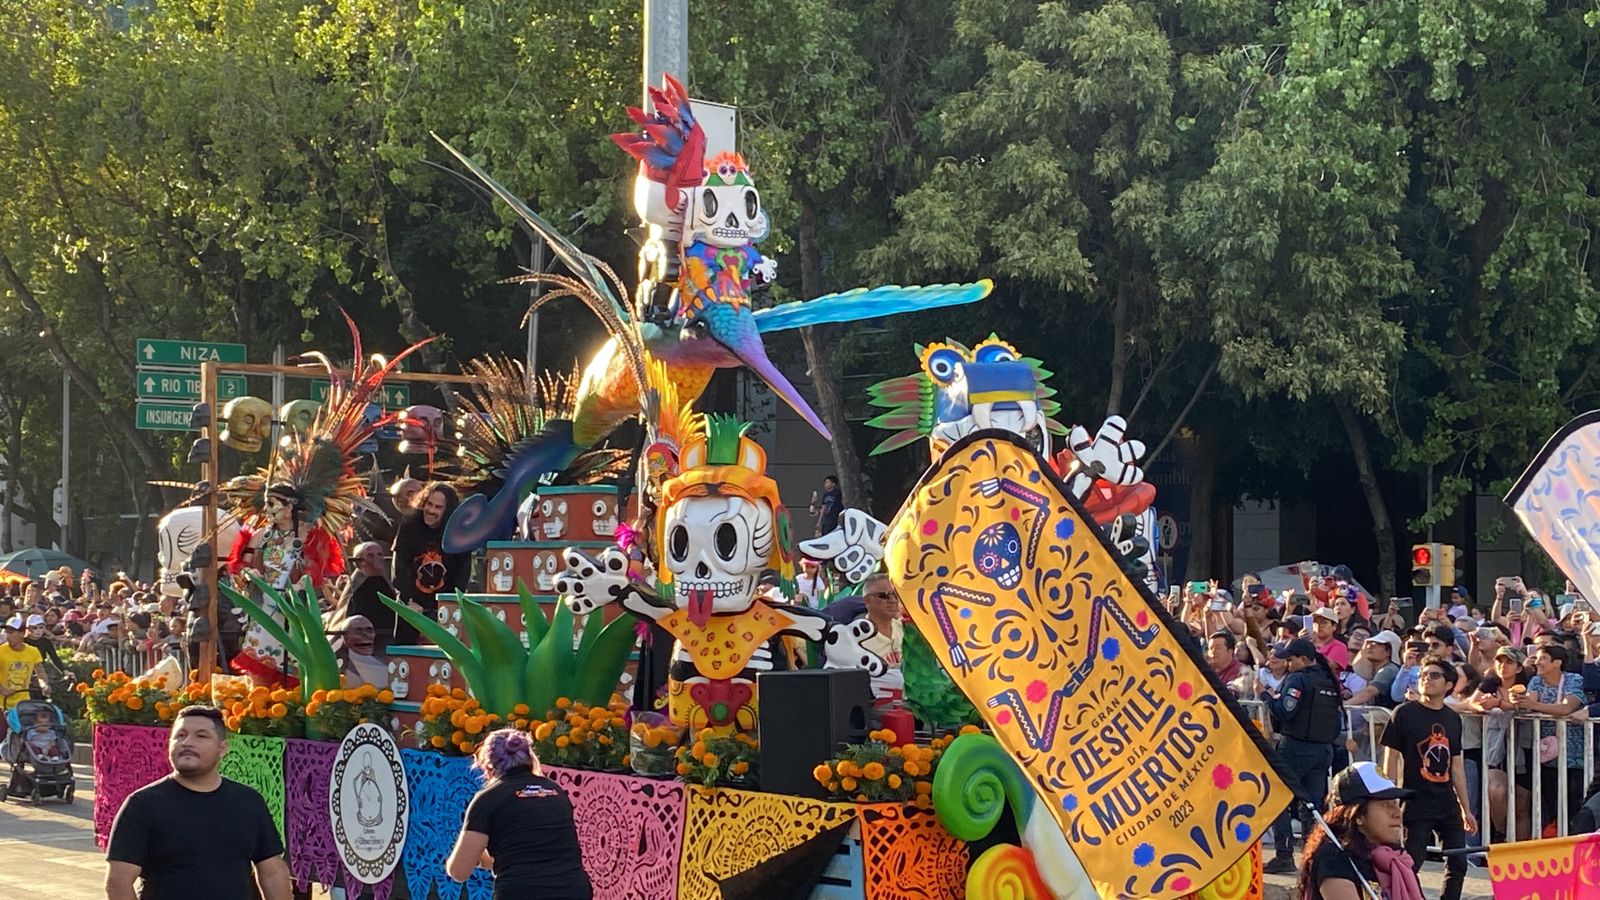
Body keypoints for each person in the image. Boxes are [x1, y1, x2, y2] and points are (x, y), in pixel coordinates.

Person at [105, 706, 291, 900]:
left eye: (201, 736)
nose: (187, 742)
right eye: (180, 735)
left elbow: (273, 873)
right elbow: (118, 882)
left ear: (222, 749)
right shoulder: (143, 805)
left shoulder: (248, 801)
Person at [446, 727, 593, 899]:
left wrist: (469, 857)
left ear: (488, 766)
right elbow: (530, 852)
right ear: (529, 759)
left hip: (522, 891)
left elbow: (459, 871)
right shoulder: (555, 790)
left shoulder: (488, 798)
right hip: (573, 890)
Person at [1381, 655, 1473, 900]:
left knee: (1458, 863)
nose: (1426, 679)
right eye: (1423, 674)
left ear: (1448, 685)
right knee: (1411, 863)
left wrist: (1466, 808)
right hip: (1415, 801)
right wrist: (1389, 799)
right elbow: (1390, 760)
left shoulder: (1453, 718)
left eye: (1434, 675)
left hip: (1446, 803)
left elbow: (1456, 766)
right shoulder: (1403, 713)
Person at [1264, 638, 1343, 874]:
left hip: (1296, 748)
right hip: (1323, 750)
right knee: (1312, 806)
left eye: (1291, 659)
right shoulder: (1328, 679)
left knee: (1278, 800)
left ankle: (1284, 854)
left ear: (1305, 659)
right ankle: (1313, 856)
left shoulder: (1298, 679)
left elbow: (1286, 711)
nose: (1288, 664)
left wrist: (1267, 698)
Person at [1298, 762, 1425, 900]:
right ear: (1358, 815)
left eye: (1395, 803)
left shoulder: (1393, 858)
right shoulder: (1333, 858)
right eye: (1385, 805)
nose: (1397, 813)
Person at [391, 481, 470, 646]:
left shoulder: (459, 532)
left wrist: (449, 604)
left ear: (447, 511)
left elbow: (462, 574)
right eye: (429, 504)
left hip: (444, 608)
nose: (431, 510)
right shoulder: (409, 525)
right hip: (411, 606)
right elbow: (400, 567)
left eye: (438, 507)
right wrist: (409, 600)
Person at [334, 541, 395, 650]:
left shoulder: (389, 583)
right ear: (359, 562)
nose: (377, 559)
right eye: (370, 556)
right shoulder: (355, 586)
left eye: (380, 554)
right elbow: (344, 616)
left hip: (389, 638)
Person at [859, 574, 904, 700]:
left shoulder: (907, 630)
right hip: (878, 710)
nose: (892, 600)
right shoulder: (856, 638)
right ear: (867, 600)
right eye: (884, 595)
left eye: (895, 595)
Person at [0, 616, 46, 740]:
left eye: (11, 632)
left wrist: (44, 685)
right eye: (7, 632)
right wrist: (2, 689)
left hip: (23, 703)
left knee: (26, 735)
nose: (8, 636)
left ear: (22, 633)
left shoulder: (33, 651)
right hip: (2, 703)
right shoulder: (1, 651)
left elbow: (40, 672)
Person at [334, 615, 389, 690]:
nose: (366, 635)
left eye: (369, 631)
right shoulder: (337, 669)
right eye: (358, 632)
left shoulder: (386, 664)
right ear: (345, 638)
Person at [1309, 607, 1351, 675]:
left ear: (1334, 627)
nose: (1319, 626)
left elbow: (1326, 667)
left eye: (1324, 622)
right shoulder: (1307, 642)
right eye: (1316, 622)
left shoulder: (1339, 647)